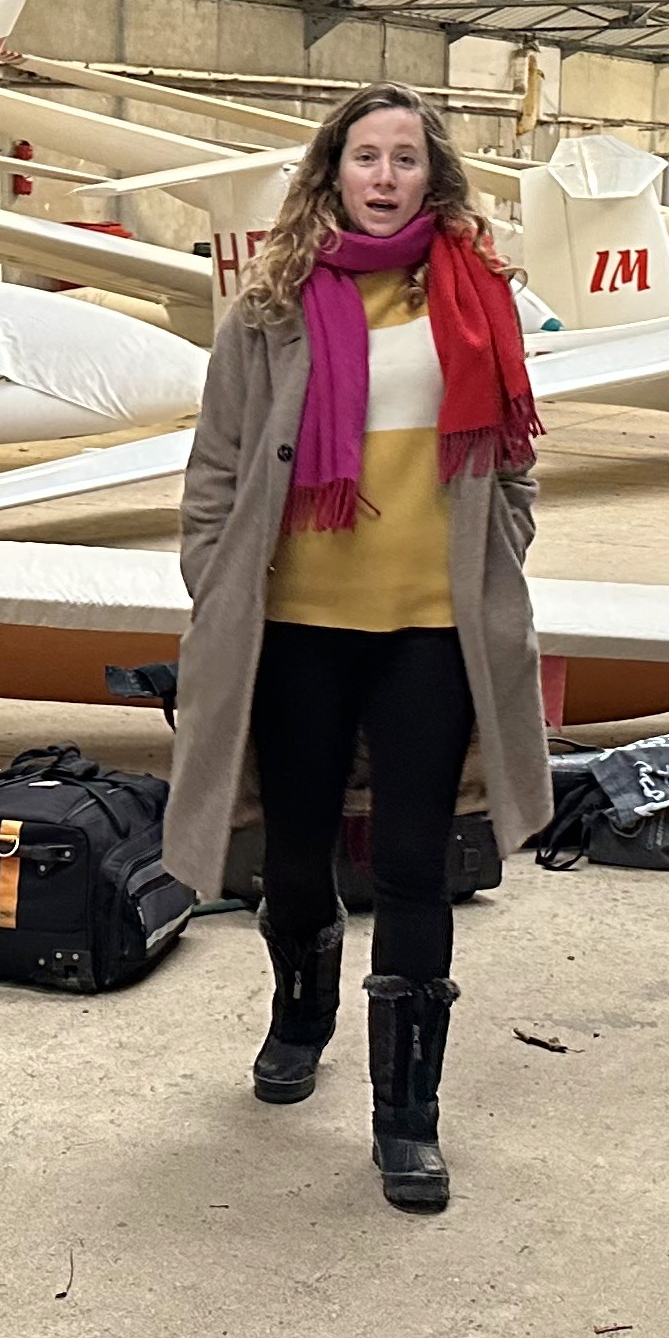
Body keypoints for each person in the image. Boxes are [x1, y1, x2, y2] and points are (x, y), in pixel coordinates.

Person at [158, 86, 549, 1215]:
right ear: (334, 174)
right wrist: (216, 582)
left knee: (419, 862)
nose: (385, 176)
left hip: (431, 626)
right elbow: (216, 470)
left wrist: (499, 546)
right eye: (366, 157)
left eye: (407, 159)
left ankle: (406, 1115)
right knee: (293, 851)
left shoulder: (477, 300)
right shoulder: (268, 309)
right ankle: (299, 1013)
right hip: (297, 628)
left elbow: (516, 459)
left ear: (435, 179)